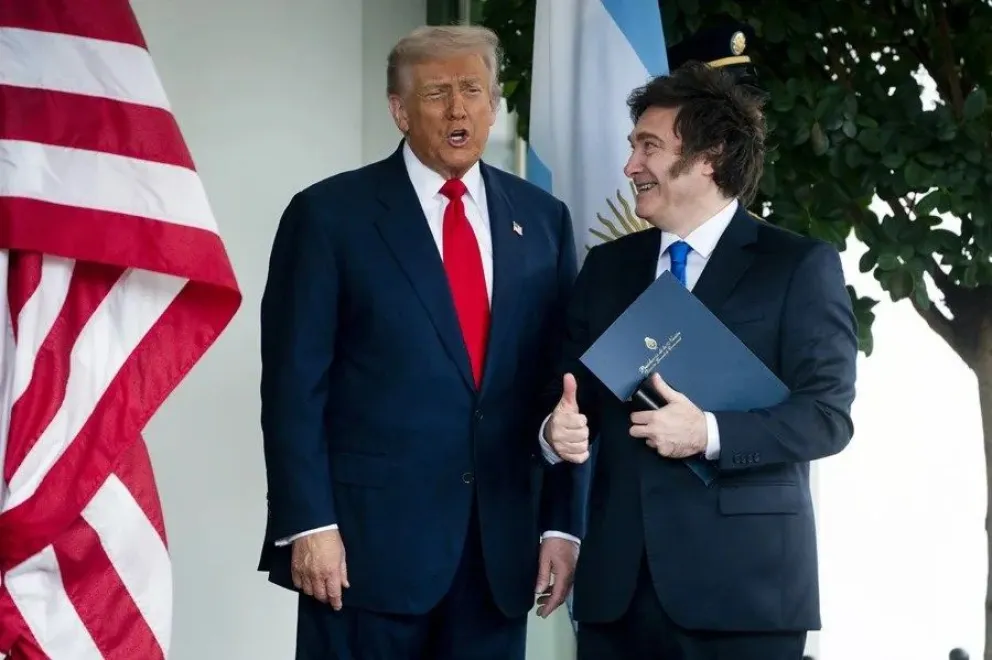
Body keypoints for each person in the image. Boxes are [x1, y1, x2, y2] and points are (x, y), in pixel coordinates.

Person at [257, 25, 582, 660]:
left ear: (494, 104)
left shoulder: (543, 219)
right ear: (399, 109)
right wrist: (309, 524)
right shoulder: (328, 216)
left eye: (472, 89)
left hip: (497, 556)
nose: (458, 109)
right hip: (363, 554)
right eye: (436, 93)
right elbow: (294, 387)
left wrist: (560, 525)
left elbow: (558, 382)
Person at [540, 62, 858, 659]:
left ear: (710, 156)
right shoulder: (607, 270)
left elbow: (827, 417)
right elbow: (567, 398)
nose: (630, 166)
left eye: (649, 147)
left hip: (745, 592)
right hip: (618, 592)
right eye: (632, 147)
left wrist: (707, 432)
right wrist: (554, 428)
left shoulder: (796, 267)